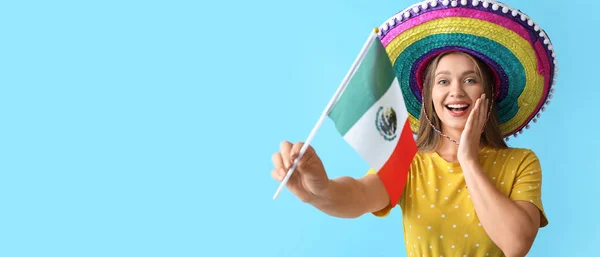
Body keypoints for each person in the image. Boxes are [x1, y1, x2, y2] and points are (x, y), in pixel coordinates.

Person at [271, 1, 555, 256]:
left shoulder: (521, 163)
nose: (456, 91)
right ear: (428, 96)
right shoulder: (410, 160)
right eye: (443, 81)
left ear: (489, 94)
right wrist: (317, 191)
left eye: (470, 80)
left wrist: (468, 160)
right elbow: (358, 195)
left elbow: (516, 243)